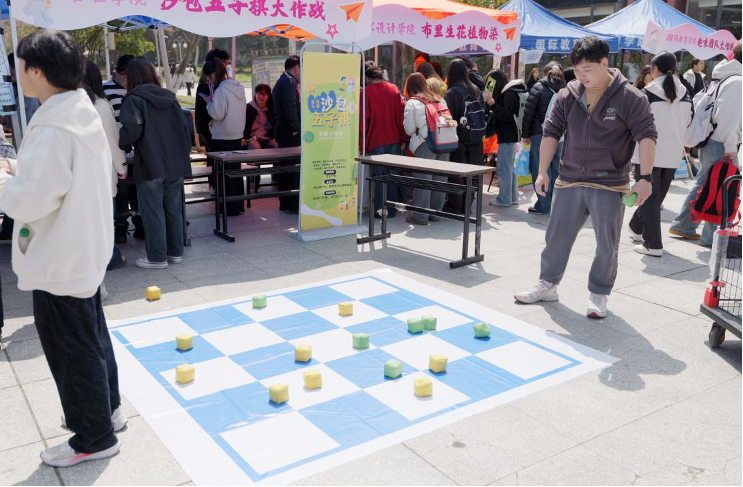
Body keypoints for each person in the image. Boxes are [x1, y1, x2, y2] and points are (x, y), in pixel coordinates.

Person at [0, 29, 124, 467]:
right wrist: (18, 168)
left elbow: (32, 199)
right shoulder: (78, 108)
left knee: (72, 349)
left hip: (60, 256)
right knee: (92, 337)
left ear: (37, 70)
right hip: (82, 248)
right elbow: (55, 176)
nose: (16, 74)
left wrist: (3, 181)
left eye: (19, 65)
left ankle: (93, 436)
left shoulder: (53, 124)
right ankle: (108, 411)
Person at [515, 36, 657, 319]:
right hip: (569, 177)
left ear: (605, 63)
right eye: (577, 70)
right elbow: (551, 132)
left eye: (587, 69)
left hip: (610, 182)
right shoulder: (567, 94)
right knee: (556, 237)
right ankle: (548, 284)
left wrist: (645, 177)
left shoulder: (631, 97)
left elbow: (647, 136)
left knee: (606, 244)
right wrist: (542, 171)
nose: (581, 76)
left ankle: (599, 293)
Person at [118, 57, 192, 269]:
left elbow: (132, 129)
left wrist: (122, 143)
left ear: (131, 77)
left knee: (153, 211)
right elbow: (185, 130)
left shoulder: (134, 99)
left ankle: (157, 257)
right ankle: (175, 253)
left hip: (151, 163)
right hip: (176, 163)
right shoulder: (170, 98)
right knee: (173, 209)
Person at [670, 41, 742, 246]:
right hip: (722, 142)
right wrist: (730, 146)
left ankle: (683, 225)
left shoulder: (724, 76)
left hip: (712, 140)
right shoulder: (737, 81)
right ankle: (712, 238)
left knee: (705, 182)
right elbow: (727, 117)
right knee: (723, 187)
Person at [627, 52, 693, 257]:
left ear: (654, 69)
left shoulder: (648, 92)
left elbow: (632, 123)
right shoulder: (686, 93)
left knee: (650, 198)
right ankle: (636, 227)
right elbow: (689, 122)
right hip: (673, 154)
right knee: (654, 198)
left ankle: (652, 244)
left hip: (648, 152)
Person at [83, 61, 129, 271]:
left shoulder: (66, 104)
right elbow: (113, 139)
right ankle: (109, 257)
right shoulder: (100, 104)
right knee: (103, 219)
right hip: (100, 171)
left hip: (77, 173)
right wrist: (122, 167)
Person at [103, 54, 144, 244]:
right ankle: (120, 226)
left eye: (129, 75)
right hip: (116, 145)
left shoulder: (138, 89)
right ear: (116, 72)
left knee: (137, 188)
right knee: (121, 189)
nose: (126, 79)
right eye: (123, 75)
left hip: (137, 146)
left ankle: (140, 223)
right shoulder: (106, 89)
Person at [403, 73, 454, 225]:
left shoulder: (412, 102)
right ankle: (435, 213)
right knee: (440, 179)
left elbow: (409, 129)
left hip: (425, 143)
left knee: (423, 179)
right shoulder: (439, 98)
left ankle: (420, 216)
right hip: (444, 142)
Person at [0, 55, 41, 243]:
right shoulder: (17, 90)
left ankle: (13, 228)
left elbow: (25, 119)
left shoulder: (28, 93)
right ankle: (11, 228)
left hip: (28, 147)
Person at [444, 59, 494, 213]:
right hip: (476, 139)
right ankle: (467, 207)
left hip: (459, 140)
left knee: (457, 174)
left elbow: (448, 119)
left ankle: (456, 206)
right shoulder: (476, 90)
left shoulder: (451, 93)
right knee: (472, 175)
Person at [521, 62, 566, 214]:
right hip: (560, 135)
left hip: (539, 133)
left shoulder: (538, 87)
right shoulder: (565, 88)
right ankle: (555, 203)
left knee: (540, 169)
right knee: (555, 169)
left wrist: (525, 134)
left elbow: (529, 113)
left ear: (545, 73)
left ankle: (543, 204)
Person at [363, 63, 408, 219]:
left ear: (367, 78)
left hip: (375, 140)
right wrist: (403, 138)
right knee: (392, 176)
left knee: (379, 178)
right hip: (394, 139)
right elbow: (401, 117)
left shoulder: (366, 92)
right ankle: (392, 210)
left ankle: (380, 210)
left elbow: (364, 121)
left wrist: (362, 144)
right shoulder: (394, 89)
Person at [204, 58, 247, 217]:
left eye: (208, 79)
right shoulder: (238, 87)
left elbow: (218, 114)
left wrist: (209, 103)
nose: (209, 82)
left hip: (222, 137)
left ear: (213, 75)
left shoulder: (221, 90)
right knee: (235, 173)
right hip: (237, 135)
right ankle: (238, 206)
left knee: (223, 175)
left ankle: (229, 209)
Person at [487, 69, 525, 208]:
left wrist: (493, 104)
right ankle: (513, 197)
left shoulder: (508, 94)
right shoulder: (513, 91)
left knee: (504, 169)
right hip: (513, 135)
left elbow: (506, 115)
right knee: (510, 169)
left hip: (507, 135)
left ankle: (504, 199)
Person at [195, 49, 230, 194]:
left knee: (213, 156)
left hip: (210, 125)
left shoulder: (212, 82)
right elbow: (215, 109)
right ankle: (215, 185)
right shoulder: (208, 83)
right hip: (209, 126)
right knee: (214, 156)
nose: (225, 65)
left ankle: (216, 185)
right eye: (223, 62)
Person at [272, 55, 302, 214]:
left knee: (285, 168)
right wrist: (296, 129)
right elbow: (290, 108)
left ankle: (285, 203)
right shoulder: (289, 83)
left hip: (283, 129)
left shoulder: (282, 81)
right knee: (292, 169)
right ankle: (293, 205)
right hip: (289, 131)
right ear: (297, 67)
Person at [245, 84, 277, 150]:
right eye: (259, 93)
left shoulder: (271, 108)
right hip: (253, 138)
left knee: (276, 145)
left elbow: (276, 124)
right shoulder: (248, 108)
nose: (261, 96)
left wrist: (275, 137)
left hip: (267, 138)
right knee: (255, 147)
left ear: (268, 96)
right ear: (255, 94)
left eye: (264, 94)